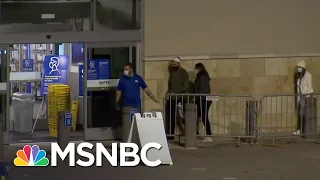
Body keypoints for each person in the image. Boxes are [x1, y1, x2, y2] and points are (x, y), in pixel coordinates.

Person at [165, 57, 189, 137]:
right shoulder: (172, 73)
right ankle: (171, 134)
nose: (173, 65)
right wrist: (168, 93)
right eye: (173, 64)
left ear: (179, 64)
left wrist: (175, 92)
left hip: (180, 98)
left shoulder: (183, 73)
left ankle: (190, 132)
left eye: (175, 64)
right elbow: (170, 86)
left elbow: (185, 86)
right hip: (172, 98)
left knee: (182, 116)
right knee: (171, 116)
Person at [293, 60, 313, 135]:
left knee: (305, 114)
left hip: (306, 96)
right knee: (301, 114)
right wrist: (298, 99)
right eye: (298, 68)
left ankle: (304, 130)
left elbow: (309, 87)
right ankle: (300, 129)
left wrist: (306, 98)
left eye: (300, 67)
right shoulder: (299, 77)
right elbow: (298, 89)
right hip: (301, 96)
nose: (298, 69)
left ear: (303, 68)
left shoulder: (308, 75)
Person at [194, 63, 213, 142]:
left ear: (199, 68)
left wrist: (199, 99)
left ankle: (209, 135)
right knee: (198, 116)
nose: (195, 70)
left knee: (204, 117)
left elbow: (203, 90)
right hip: (202, 100)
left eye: (196, 68)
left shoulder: (202, 77)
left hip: (203, 100)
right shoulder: (202, 76)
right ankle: (195, 133)